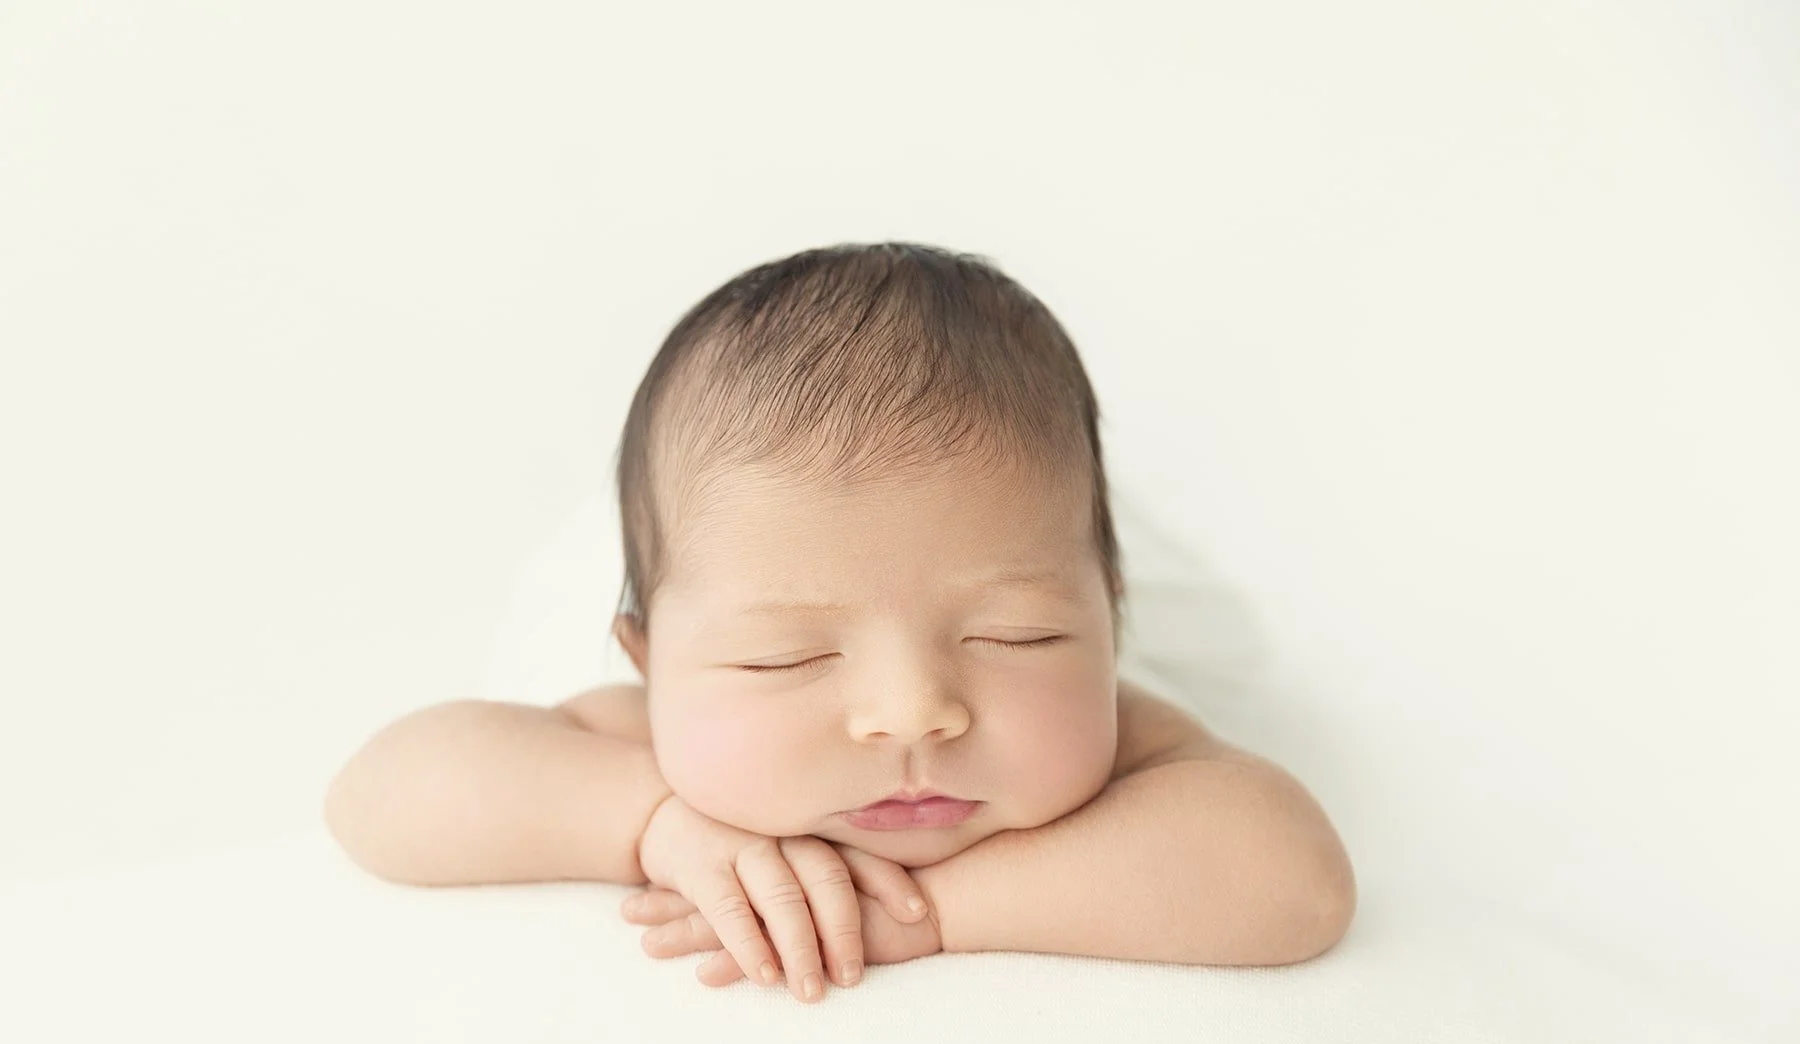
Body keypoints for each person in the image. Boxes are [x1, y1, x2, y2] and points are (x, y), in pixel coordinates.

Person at [324, 241, 1356, 1004]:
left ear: (1108, 628)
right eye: (788, 656)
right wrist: (648, 820)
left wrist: (937, 914)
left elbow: (1296, 882)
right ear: (649, 665)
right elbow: (377, 795)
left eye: (1017, 636)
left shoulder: (1136, 749)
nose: (912, 713)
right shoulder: (647, 745)